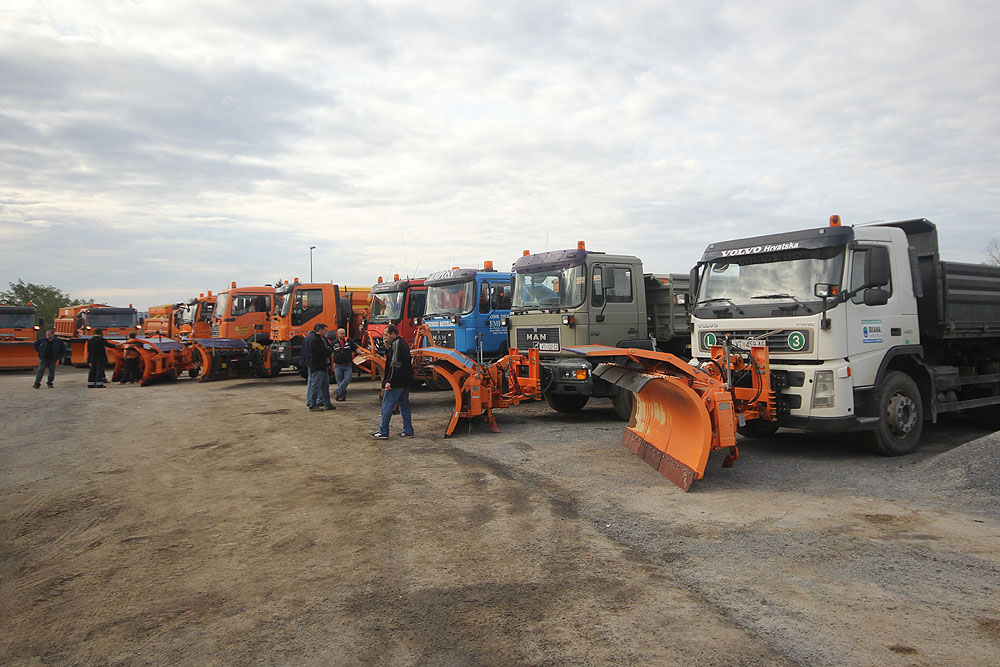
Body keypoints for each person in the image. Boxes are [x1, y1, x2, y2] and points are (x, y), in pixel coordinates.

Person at [372, 324, 414, 439]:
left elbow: (394, 364)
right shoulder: (401, 343)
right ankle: (408, 430)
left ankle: (383, 431)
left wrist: (389, 381)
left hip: (397, 382)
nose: (384, 337)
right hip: (405, 381)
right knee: (404, 406)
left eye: (386, 335)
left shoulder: (397, 344)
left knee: (387, 406)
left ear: (393, 334)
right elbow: (393, 357)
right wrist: (386, 347)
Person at [306, 323, 335, 411]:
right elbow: (325, 351)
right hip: (317, 366)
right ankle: (313, 405)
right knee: (316, 386)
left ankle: (327, 403)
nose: (327, 332)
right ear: (320, 330)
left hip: (323, 366)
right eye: (325, 330)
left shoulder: (322, 339)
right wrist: (330, 350)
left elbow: (327, 349)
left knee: (325, 386)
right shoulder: (315, 340)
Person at [331, 328, 359, 402]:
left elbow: (356, 348)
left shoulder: (349, 341)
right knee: (340, 382)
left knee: (348, 378)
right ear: (338, 334)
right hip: (337, 366)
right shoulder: (333, 343)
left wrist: (361, 353)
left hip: (347, 365)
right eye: (342, 334)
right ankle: (342, 396)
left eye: (344, 333)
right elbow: (329, 352)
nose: (343, 335)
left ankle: (338, 391)